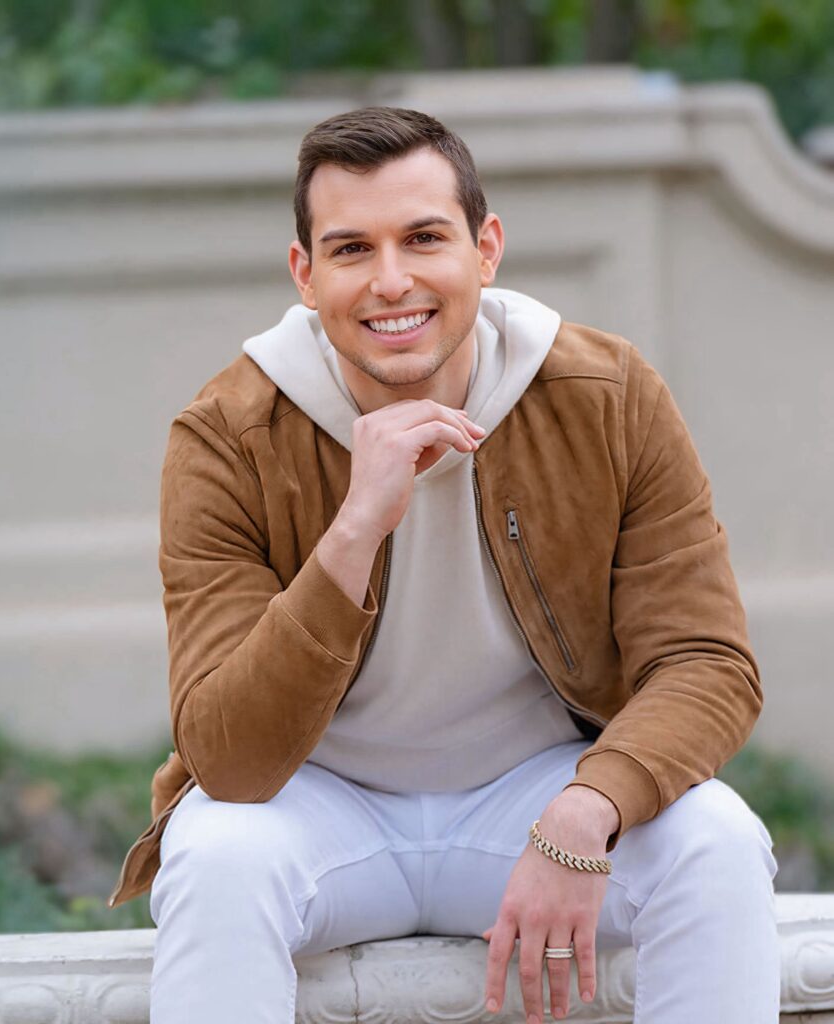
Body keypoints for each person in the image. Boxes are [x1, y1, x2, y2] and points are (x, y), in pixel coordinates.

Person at [108, 106, 780, 1023]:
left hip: (535, 797)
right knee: (215, 853)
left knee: (718, 841)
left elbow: (707, 663)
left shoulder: (607, 397)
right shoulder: (228, 436)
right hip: (317, 807)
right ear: (306, 275)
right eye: (351, 250)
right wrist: (352, 530)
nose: (392, 282)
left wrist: (588, 810)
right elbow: (226, 759)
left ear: (486, 249)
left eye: (424, 238)